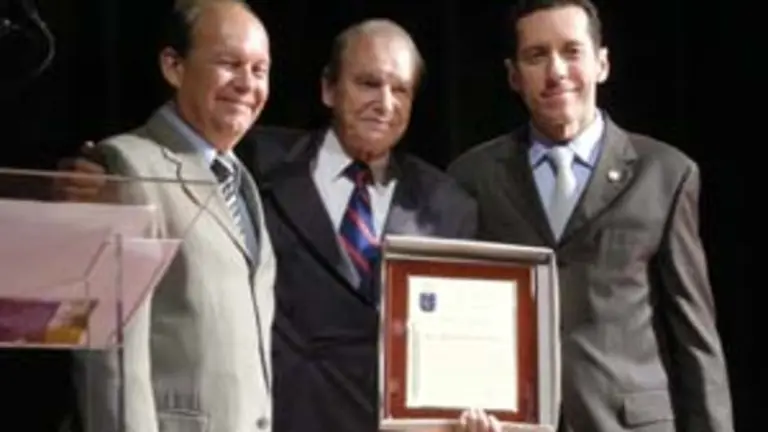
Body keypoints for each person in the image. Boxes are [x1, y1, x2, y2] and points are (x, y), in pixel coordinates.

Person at [446, 1, 734, 431]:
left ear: (602, 63)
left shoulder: (665, 173)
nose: (556, 71)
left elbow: (695, 337)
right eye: (537, 55)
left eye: (571, 51)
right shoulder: (472, 177)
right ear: (513, 76)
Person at [254, 18, 505, 432]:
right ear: (329, 89)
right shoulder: (258, 164)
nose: (385, 103)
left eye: (400, 89)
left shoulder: (448, 203)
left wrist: (473, 403)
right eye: (369, 83)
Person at [67, 1, 277, 431]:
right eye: (228, 63)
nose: (246, 84)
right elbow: (112, 358)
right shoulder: (127, 167)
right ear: (174, 66)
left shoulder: (242, 182)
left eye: (259, 70)